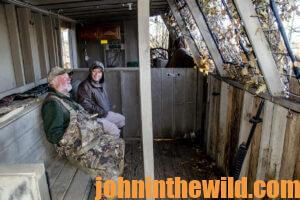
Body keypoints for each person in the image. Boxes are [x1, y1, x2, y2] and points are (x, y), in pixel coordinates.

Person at [41, 66, 125, 181]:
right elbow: (53, 135)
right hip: (76, 150)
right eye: (65, 77)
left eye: (68, 76)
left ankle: (117, 176)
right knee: (108, 167)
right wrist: (77, 137)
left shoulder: (65, 98)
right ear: (54, 81)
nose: (69, 79)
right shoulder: (53, 104)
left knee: (118, 143)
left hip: (88, 140)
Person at [77, 61, 125, 138]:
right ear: (90, 72)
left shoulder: (99, 83)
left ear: (102, 73)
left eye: (99, 71)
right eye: (94, 71)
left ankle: (109, 138)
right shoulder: (85, 86)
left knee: (122, 120)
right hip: (92, 117)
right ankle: (108, 146)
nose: (97, 74)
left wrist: (105, 109)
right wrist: (100, 111)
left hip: (103, 114)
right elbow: (85, 105)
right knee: (115, 130)